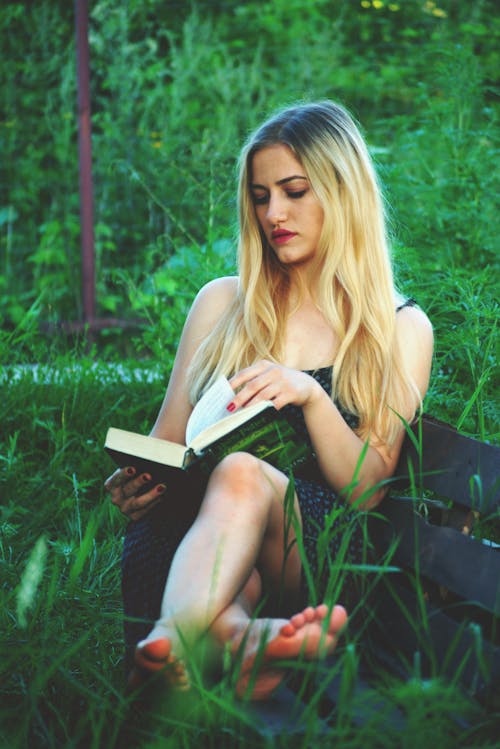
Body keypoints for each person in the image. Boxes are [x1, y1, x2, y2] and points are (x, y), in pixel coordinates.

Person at [105, 100, 433, 700]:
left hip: (318, 551)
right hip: (202, 541)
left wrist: (310, 395)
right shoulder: (221, 303)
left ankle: (172, 639)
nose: (274, 214)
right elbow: (169, 441)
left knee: (241, 476)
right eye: (260, 197)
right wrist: (136, 481)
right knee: (221, 535)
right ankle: (245, 639)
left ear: (343, 191)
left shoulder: (398, 326)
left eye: (294, 191)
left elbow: (368, 489)